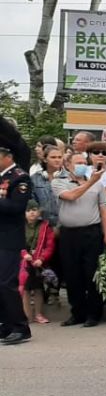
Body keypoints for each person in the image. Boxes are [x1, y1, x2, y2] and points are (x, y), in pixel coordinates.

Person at [52, 151, 106, 326]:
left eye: (83, 162)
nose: (81, 165)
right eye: (77, 162)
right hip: (69, 234)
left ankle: (94, 314)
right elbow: (71, 196)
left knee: (92, 273)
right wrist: (91, 182)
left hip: (91, 233)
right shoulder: (59, 182)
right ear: (67, 165)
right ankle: (77, 313)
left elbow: (104, 211)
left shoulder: (97, 184)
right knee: (72, 275)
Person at [0, 141, 34, 345]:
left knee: (6, 283)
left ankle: (21, 326)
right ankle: (7, 324)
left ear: (7, 157)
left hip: (9, 238)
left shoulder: (20, 177)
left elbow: (16, 206)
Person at [21, 200, 54, 327]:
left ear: (39, 212)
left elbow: (49, 245)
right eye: (28, 210)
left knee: (39, 288)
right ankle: (27, 315)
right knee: (25, 289)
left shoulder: (45, 226)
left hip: (39, 263)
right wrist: (24, 254)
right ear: (24, 213)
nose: (32, 213)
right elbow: (17, 243)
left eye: (34, 210)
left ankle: (38, 314)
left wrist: (42, 258)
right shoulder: (20, 226)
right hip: (24, 263)